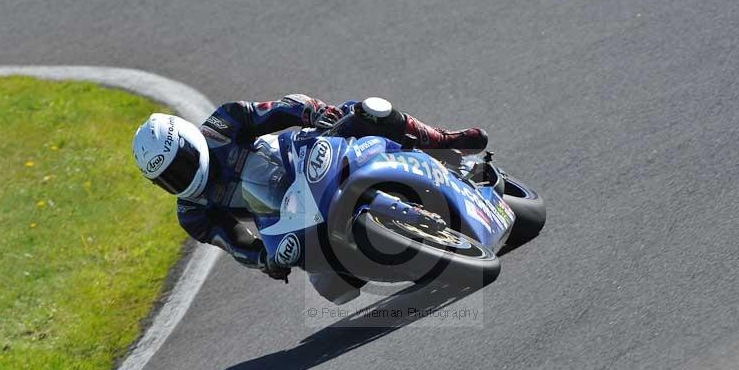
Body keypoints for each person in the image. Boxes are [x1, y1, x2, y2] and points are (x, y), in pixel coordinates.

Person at [131, 95, 487, 303]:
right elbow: (235, 242)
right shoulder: (192, 213)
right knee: (334, 289)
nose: (179, 180)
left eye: (180, 166)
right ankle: (400, 257)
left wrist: (314, 112)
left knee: (367, 110)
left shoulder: (223, 125)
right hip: (283, 214)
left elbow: (281, 108)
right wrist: (264, 260)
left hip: (303, 157)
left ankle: (441, 139)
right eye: (167, 179)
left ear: (191, 143)